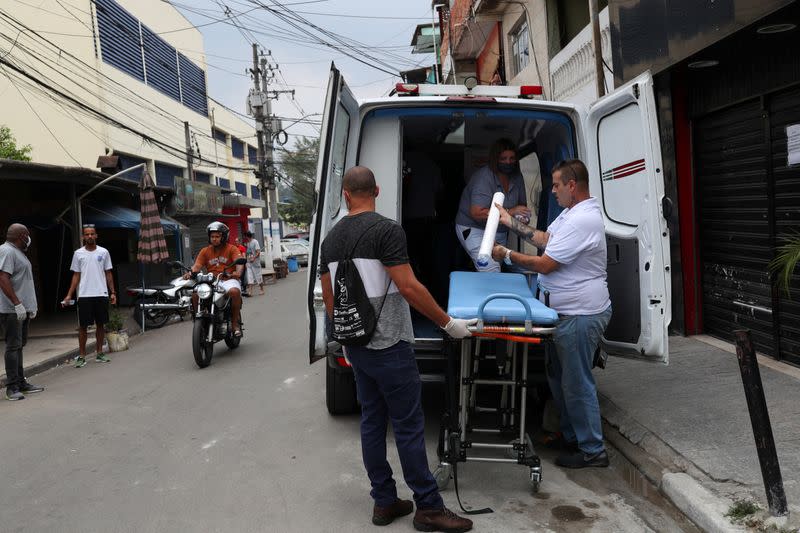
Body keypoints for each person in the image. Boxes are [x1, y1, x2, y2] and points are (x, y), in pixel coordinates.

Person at [320, 166, 475, 532]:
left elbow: (330, 300)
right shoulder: (387, 230)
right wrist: (448, 323)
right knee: (407, 425)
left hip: (357, 347)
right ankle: (428, 507)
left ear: (345, 195)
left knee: (372, 421)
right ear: (376, 189)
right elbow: (408, 287)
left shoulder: (330, 239)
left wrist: (350, 336)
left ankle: (385, 502)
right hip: (390, 344)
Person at [491, 159, 612, 469]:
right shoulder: (570, 215)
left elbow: (546, 263)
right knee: (560, 379)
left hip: (580, 314)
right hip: (562, 313)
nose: (553, 190)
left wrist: (506, 254)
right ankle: (573, 437)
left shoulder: (583, 220)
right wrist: (507, 221)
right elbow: (545, 240)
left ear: (573, 185)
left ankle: (592, 450)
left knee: (577, 382)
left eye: (557, 185)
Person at [454, 138, 531, 272]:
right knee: (490, 268)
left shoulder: (517, 177)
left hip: (500, 231)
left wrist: (522, 217)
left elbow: (521, 206)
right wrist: (511, 211)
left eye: (512, 158)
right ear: (496, 159)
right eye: (503, 158)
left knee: (497, 266)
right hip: (474, 228)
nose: (508, 162)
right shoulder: (484, 177)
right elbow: (477, 212)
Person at [62, 225, 117, 368]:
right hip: (85, 295)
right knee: (83, 327)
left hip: (101, 293)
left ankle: (99, 353)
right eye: (87, 234)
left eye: (92, 234)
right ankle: (82, 356)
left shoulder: (104, 252)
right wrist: (69, 295)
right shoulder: (78, 254)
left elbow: (108, 273)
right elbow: (76, 275)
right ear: (83, 237)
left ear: (96, 235)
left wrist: (113, 292)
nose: (90, 236)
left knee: (100, 324)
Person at [0, 224, 44, 401]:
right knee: (13, 346)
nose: (28, 238)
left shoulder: (18, 252)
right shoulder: (6, 251)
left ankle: (21, 382)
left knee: (19, 345)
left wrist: (29, 306)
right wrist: (17, 304)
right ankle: (12, 387)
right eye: (27, 235)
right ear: (22, 236)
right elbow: (3, 278)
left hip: (22, 310)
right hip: (12, 310)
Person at [183, 222, 244, 336]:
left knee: (234, 292)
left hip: (228, 279)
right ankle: (199, 321)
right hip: (212, 281)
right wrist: (190, 273)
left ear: (224, 237)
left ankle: (235, 324)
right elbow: (197, 265)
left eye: (217, 236)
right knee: (196, 294)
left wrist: (237, 272)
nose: (214, 239)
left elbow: (239, 263)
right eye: (212, 237)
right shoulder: (205, 251)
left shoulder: (232, 249)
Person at [243, 231, 264, 296]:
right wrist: (246, 261)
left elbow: (258, 252)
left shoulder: (255, 242)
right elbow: (248, 253)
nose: (244, 237)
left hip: (255, 263)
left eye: (245, 236)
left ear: (247, 236)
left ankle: (261, 289)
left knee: (258, 277)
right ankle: (250, 292)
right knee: (250, 277)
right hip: (249, 263)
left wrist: (254, 258)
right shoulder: (247, 243)